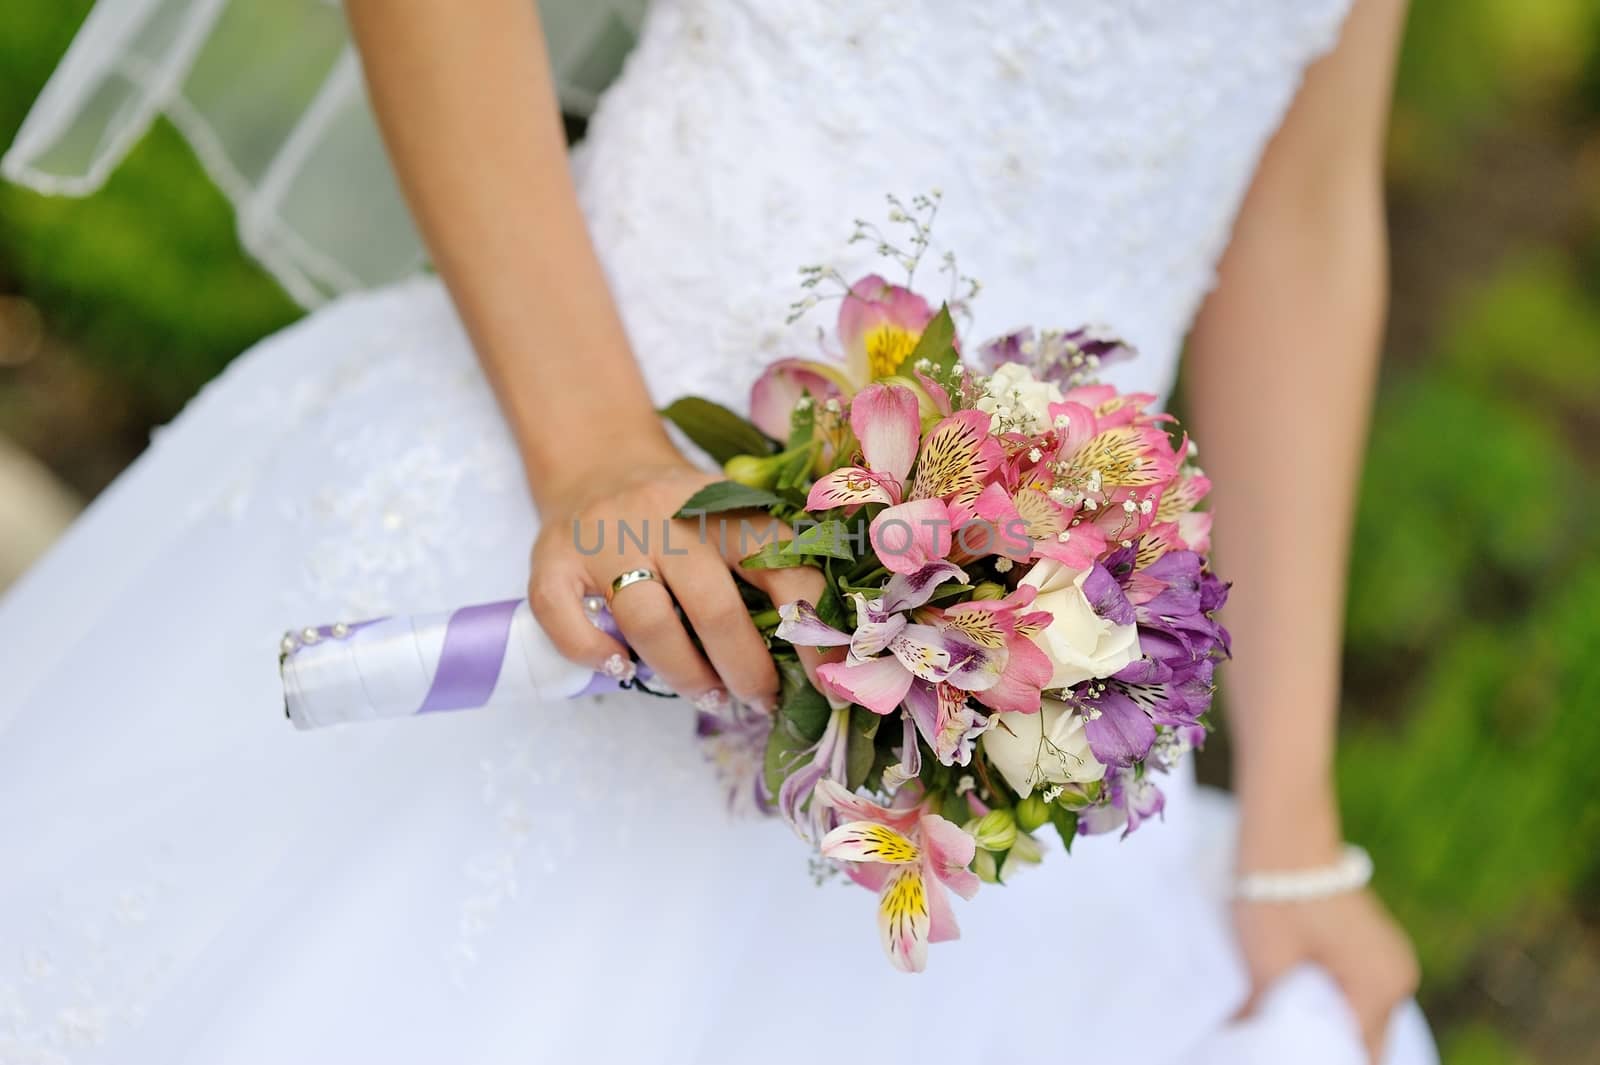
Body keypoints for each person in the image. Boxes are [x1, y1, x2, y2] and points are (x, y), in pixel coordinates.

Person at [0, 1, 1437, 1062]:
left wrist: (1295, 822)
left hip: (996, 762)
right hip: (550, 482)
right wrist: (594, 448)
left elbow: (1302, 214)